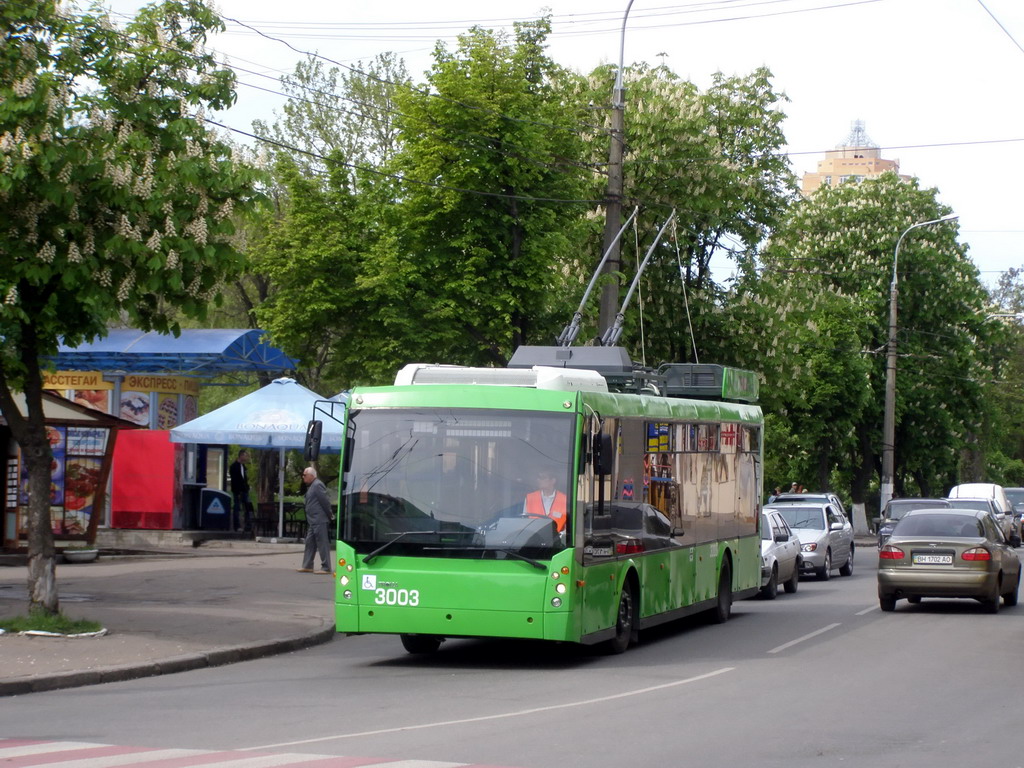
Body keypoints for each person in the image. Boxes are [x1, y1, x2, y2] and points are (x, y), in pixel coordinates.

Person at [298, 466, 333, 574]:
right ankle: (307, 565)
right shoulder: (312, 486)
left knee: (322, 543)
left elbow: (325, 501)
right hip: (313, 520)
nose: (303, 477)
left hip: (319, 519)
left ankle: (326, 567)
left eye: (305, 475)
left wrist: (330, 514)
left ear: (311, 475)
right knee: (310, 543)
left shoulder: (317, 485)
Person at [523, 468, 567, 533]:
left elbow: (567, 525)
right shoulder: (530, 498)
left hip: (557, 540)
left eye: (542, 478)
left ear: (553, 481)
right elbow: (524, 521)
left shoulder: (564, 499)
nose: (538, 480)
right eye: (538, 477)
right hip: (534, 538)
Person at [229, 449, 252, 532]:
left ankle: (248, 525)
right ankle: (236, 525)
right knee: (237, 507)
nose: (246, 457)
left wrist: (247, 487)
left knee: (247, 507)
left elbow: (244, 479)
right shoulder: (234, 467)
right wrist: (237, 491)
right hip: (238, 491)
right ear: (241, 456)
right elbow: (234, 480)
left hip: (244, 490)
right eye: (245, 455)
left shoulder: (243, 467)